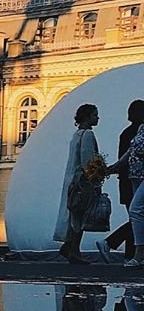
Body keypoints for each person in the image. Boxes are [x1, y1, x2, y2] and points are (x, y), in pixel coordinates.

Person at [98, 101, 144, 263]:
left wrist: (115, 168)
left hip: (129, 179)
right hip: (132, 180)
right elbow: (129, 154)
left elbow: (125, 156)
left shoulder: (128, 132)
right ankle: (121, 248)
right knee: (137, 215)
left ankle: (129, 253)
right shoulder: (137, 132)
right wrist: (115, 167)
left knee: (136, 216)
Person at [55, 103, 101, 264]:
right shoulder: (87, 134)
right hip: (82, 182)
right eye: (95, 115)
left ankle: (69, 247)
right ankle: (74, 250)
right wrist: (95, 179)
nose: (98, 118)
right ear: (88, 117)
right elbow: (88, 160)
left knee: (75, 214)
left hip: (72, 180)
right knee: (79, 216)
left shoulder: (77, 134)